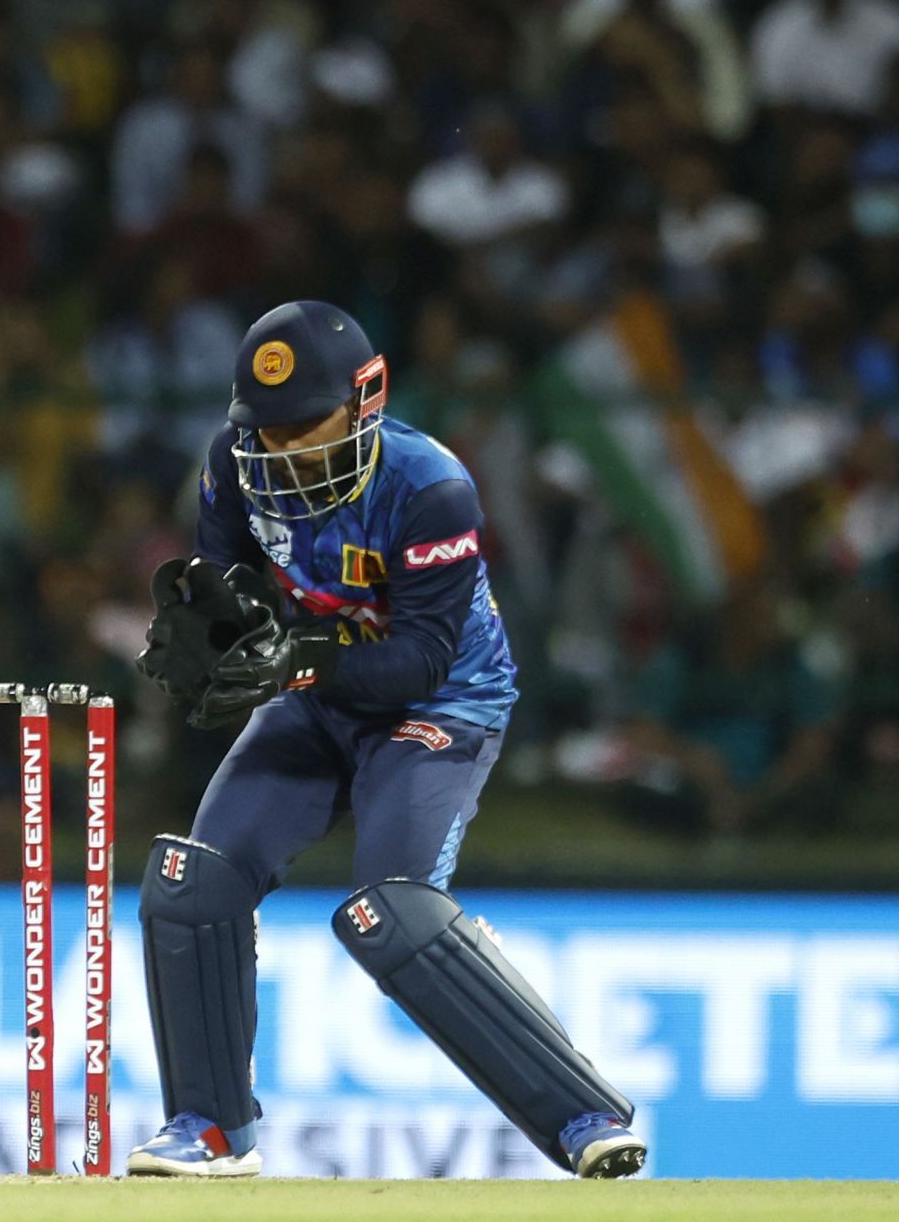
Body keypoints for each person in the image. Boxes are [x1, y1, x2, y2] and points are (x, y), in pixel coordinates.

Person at [129, 300, 644, 1180]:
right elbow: (230, 593)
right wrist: (214, 642)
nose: (285, 450)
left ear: (365, 401)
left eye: (306, 426)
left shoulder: (429, 484)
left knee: (393, 912)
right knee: (192, 884)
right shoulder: (232, 463)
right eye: (268, 429)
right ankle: (211, 1130)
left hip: (440, 702)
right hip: (318, 693)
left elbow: (418, 658)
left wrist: (292, 662)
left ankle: (584, 1114)